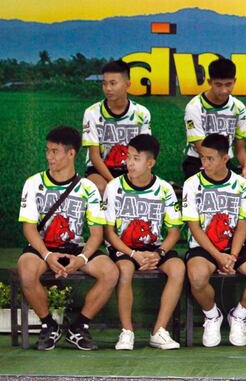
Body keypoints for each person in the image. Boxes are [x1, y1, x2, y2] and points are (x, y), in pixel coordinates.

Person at [17, 126, 119, 351]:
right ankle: (49, 325)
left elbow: (96, 234)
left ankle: (78, 327)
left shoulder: (88, 188)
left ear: (71, 153)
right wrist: (47, 254)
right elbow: (29, 228)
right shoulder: (34, 183)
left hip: (75, 248)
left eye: (55, 151)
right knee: (26, 272)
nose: (49, 156)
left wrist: (81, 259)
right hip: (42, 247)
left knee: (110, 272)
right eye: (47, 151)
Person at [183, 133, 246, 348]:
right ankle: (212, 315)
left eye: (210, 159)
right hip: (204, 248)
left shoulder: (241, 184)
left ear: (225, 159)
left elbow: (243, 223)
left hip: (234, 247)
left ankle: (239, 315)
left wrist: (232, 256)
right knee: (197, 277)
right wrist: (219, 257)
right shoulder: (191, 184)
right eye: (202, 158)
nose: (204, 163)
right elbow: (194, 227)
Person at [103, 134, 184, 350]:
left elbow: (174, 231)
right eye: (128, 157)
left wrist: (159, 253)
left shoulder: (165, 189)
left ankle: (159, 331)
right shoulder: (114, 187)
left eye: (136, 158)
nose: (129, 162)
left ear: (150, 163)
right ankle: (127, 332)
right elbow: (108, 233)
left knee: (177, 268)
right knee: (125, 270)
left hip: (153, 249)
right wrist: (133, 254)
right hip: (124, 249)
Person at [182, 57, 246, 242]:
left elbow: (240, 146)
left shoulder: (238, 107)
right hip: (199, 162)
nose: (224, 90)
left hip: (227, 163)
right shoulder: (195, 106)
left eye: (229, 84)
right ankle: (203, 241)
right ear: (210, 82)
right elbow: (201, 148)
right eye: (218, 85)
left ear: (235, 81)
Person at [81, 59, 151, 196]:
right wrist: (113, 183)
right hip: (100, 169)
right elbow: (94, 156)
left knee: (143, 188)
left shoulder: (142, 113)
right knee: (100, 188)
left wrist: (132, 179)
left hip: (132, 168)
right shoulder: (92, 112)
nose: (108, 88)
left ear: (127, 85)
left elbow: (144, 152)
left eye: (113, 83)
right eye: (104, 83)